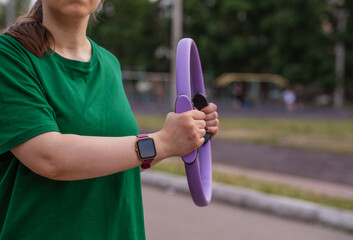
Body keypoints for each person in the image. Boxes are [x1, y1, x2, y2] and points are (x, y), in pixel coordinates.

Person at [0, 1, 219, 239]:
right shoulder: (9, 56)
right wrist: (161, 142)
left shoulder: (109, 63)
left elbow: (116, 158)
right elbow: (49, 157)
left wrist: (181, 137)